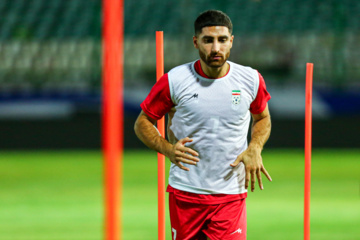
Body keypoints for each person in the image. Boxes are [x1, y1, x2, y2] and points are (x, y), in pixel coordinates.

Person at [134, 9, 272, 240]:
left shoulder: (250, 79)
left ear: (231, 42)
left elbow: (263, 117)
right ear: (196, 42)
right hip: (186, 193)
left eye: (222, 40)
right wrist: (168, 149)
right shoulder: (175, 80)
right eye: (208, 40)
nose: (216, 48)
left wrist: (255, 147)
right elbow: (142, 123)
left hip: (230, 194)